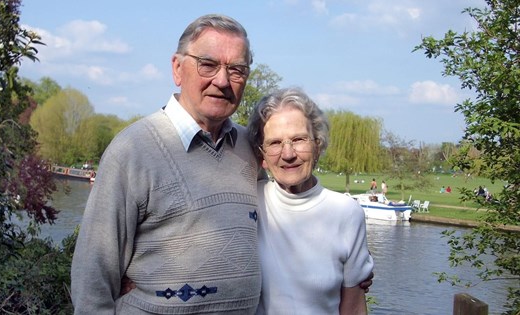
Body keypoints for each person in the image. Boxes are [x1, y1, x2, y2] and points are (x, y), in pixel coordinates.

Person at [71, 14, 262, 314]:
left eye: (236, 70)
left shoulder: (251, 148)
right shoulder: (132, 150)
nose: (222, 81)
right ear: (177, 68)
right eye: (208, 64)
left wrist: (346, 263)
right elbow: (92, 277)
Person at [247, 88, 374, 315]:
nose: (288, 154)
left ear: (317, 145)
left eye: (298, 139)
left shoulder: (346, 212)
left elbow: (353, 308)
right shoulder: (247, 201)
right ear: (262, 155)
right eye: (275, 143)